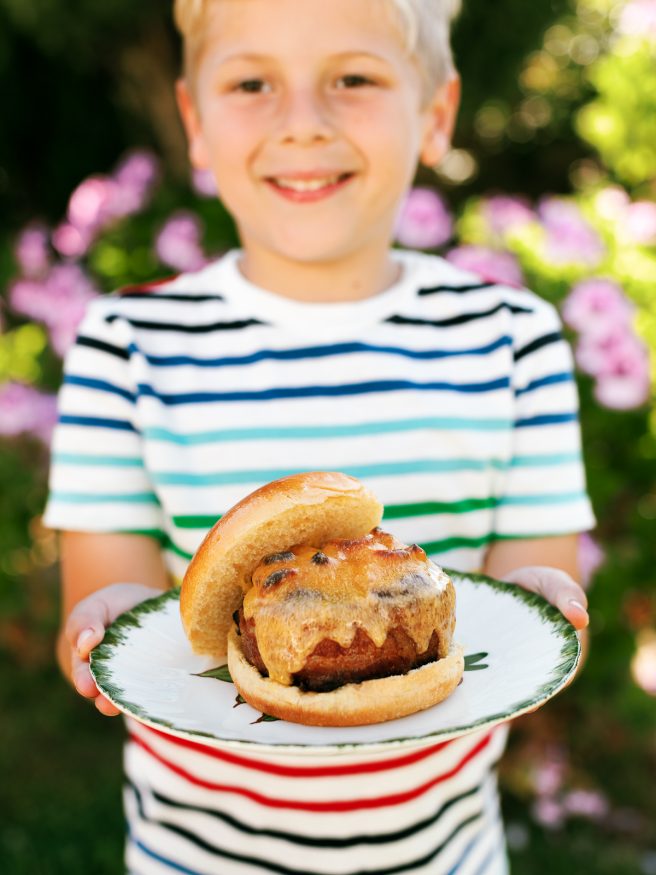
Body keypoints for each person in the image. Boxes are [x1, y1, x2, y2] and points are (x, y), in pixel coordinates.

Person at [45, 0, 595, 872]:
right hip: (193, 856)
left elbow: (533, 590)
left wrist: (540, 603)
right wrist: (104, 621)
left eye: (354, 78)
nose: (303, 122)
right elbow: (111, 595)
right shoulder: (126, 343)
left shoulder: (513, 336)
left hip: (448, 855)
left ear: (436, 115)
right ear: (194, 119)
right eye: (253, 82)